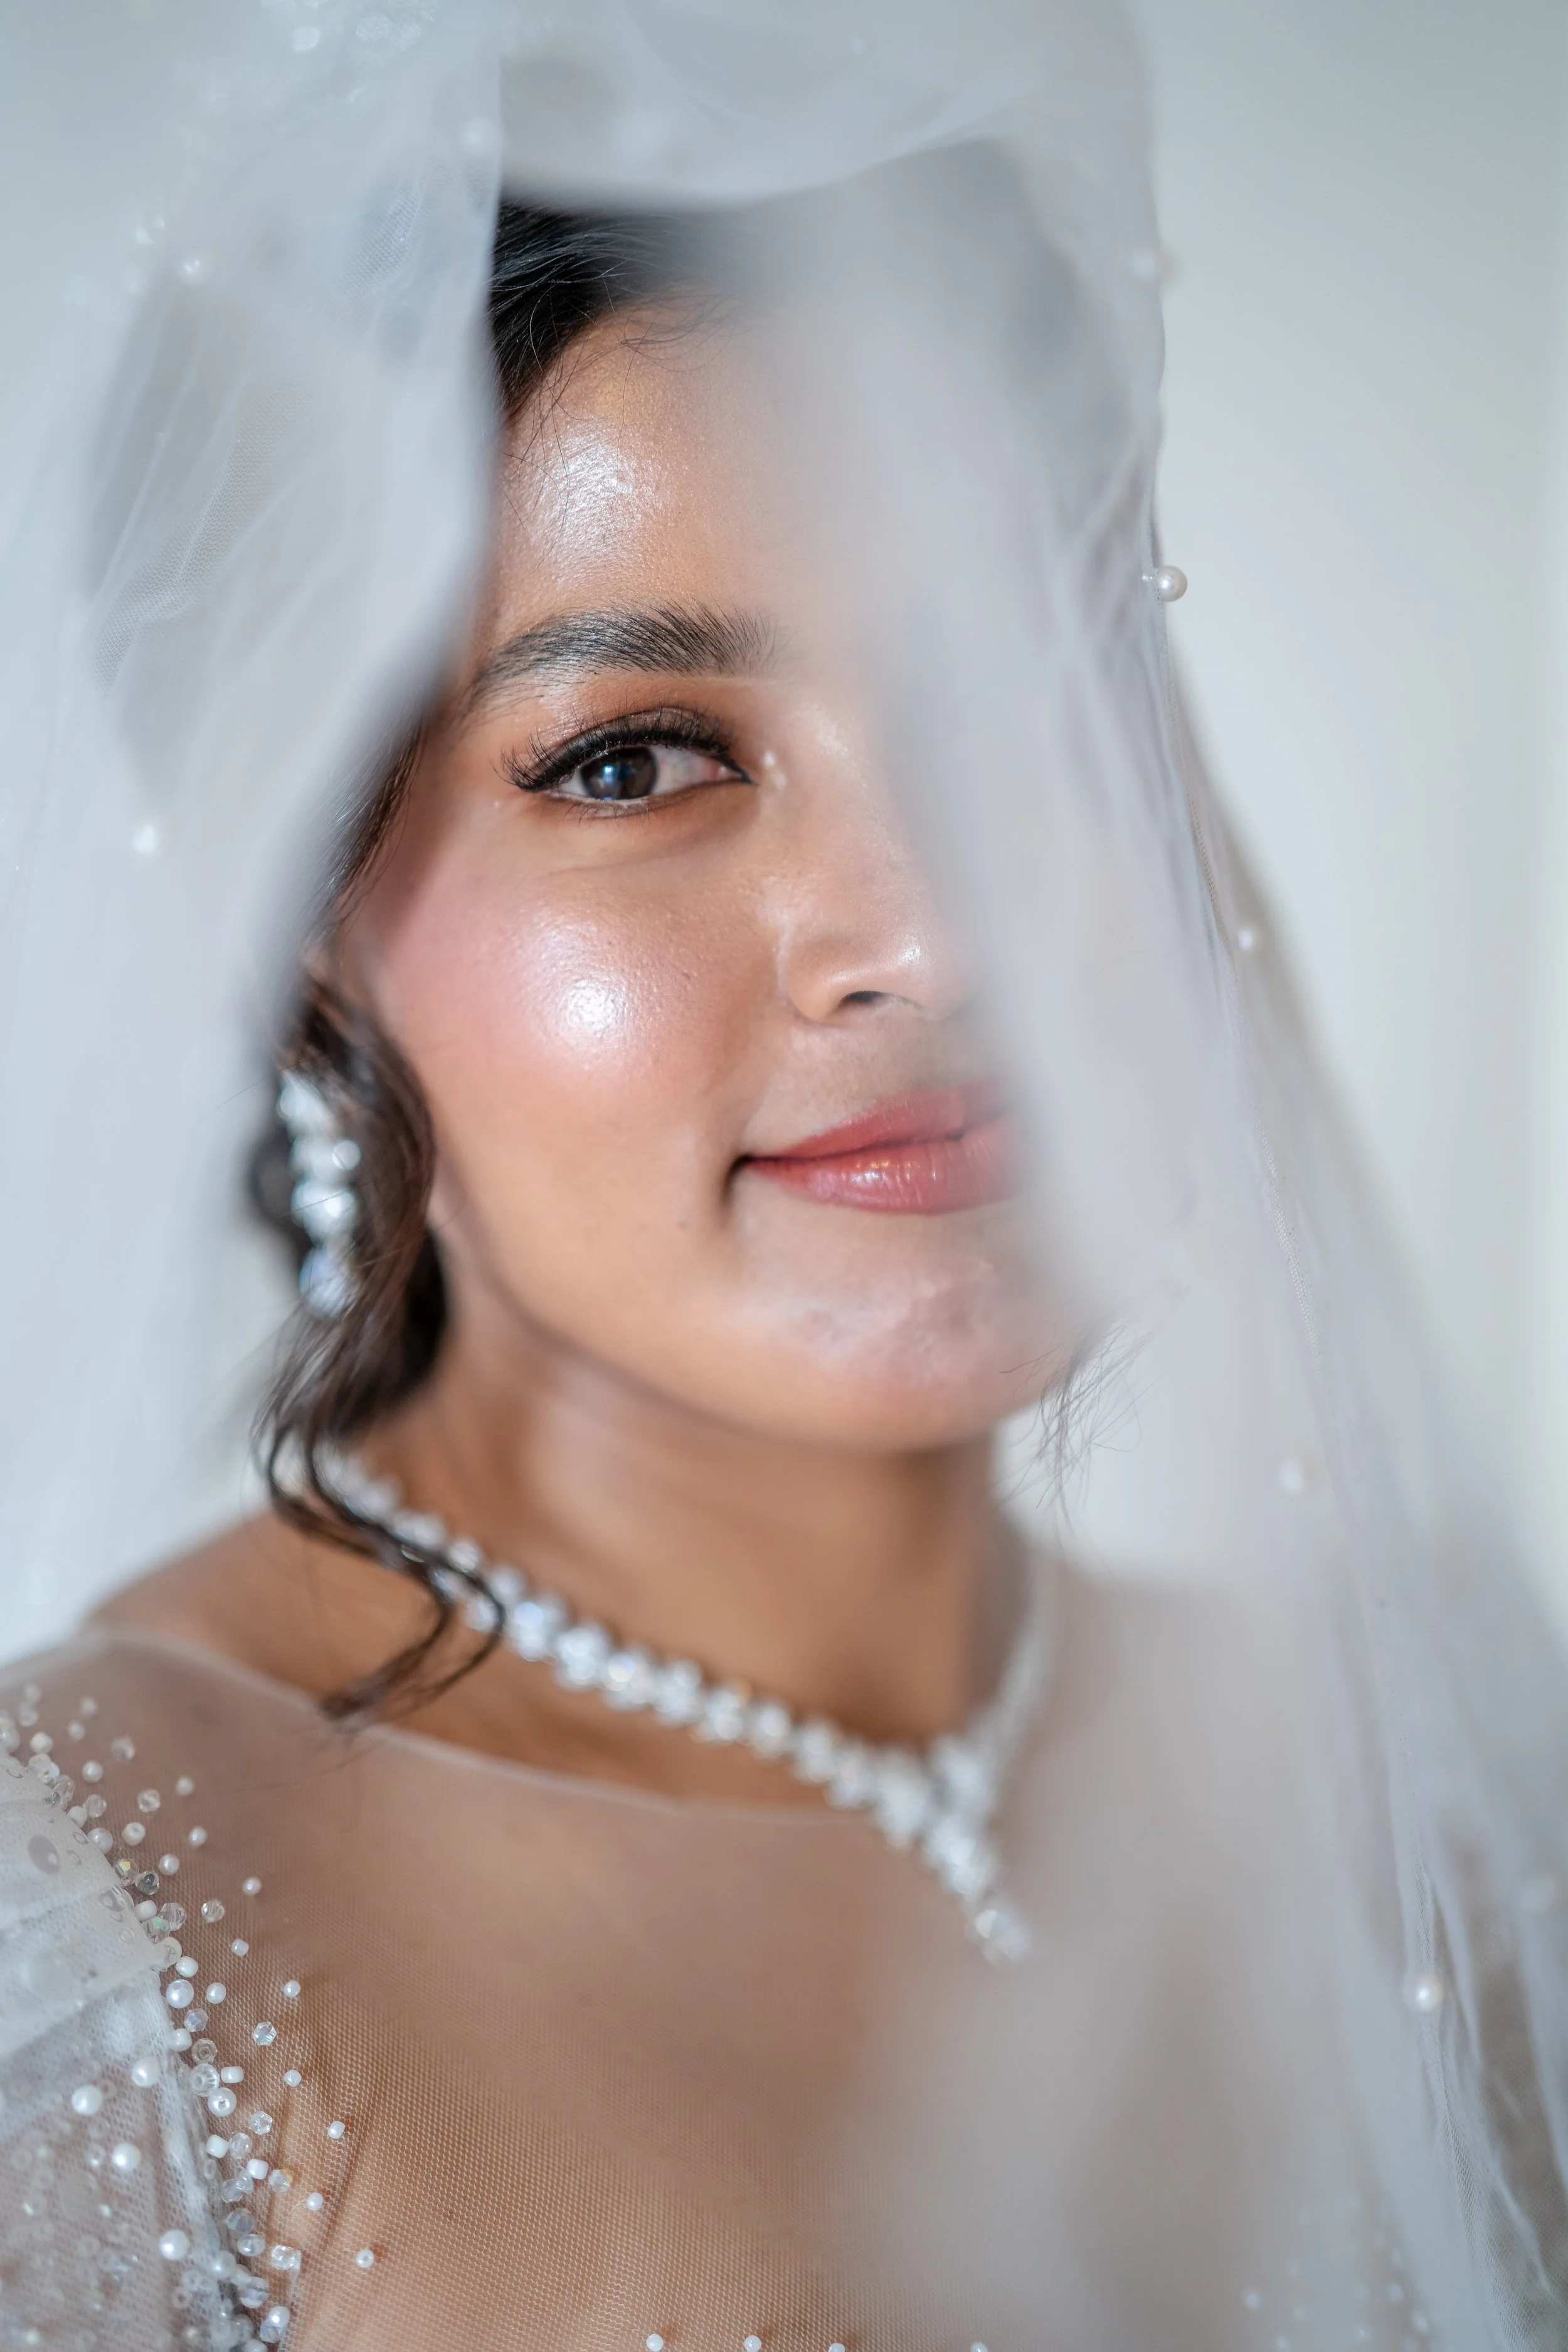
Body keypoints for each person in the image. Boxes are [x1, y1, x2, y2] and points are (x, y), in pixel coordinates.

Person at [3, 11, 1567, 2351]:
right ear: (302, 914)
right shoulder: (97, 1935)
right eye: (636, 758)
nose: (938, 926)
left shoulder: (1444, 1808)